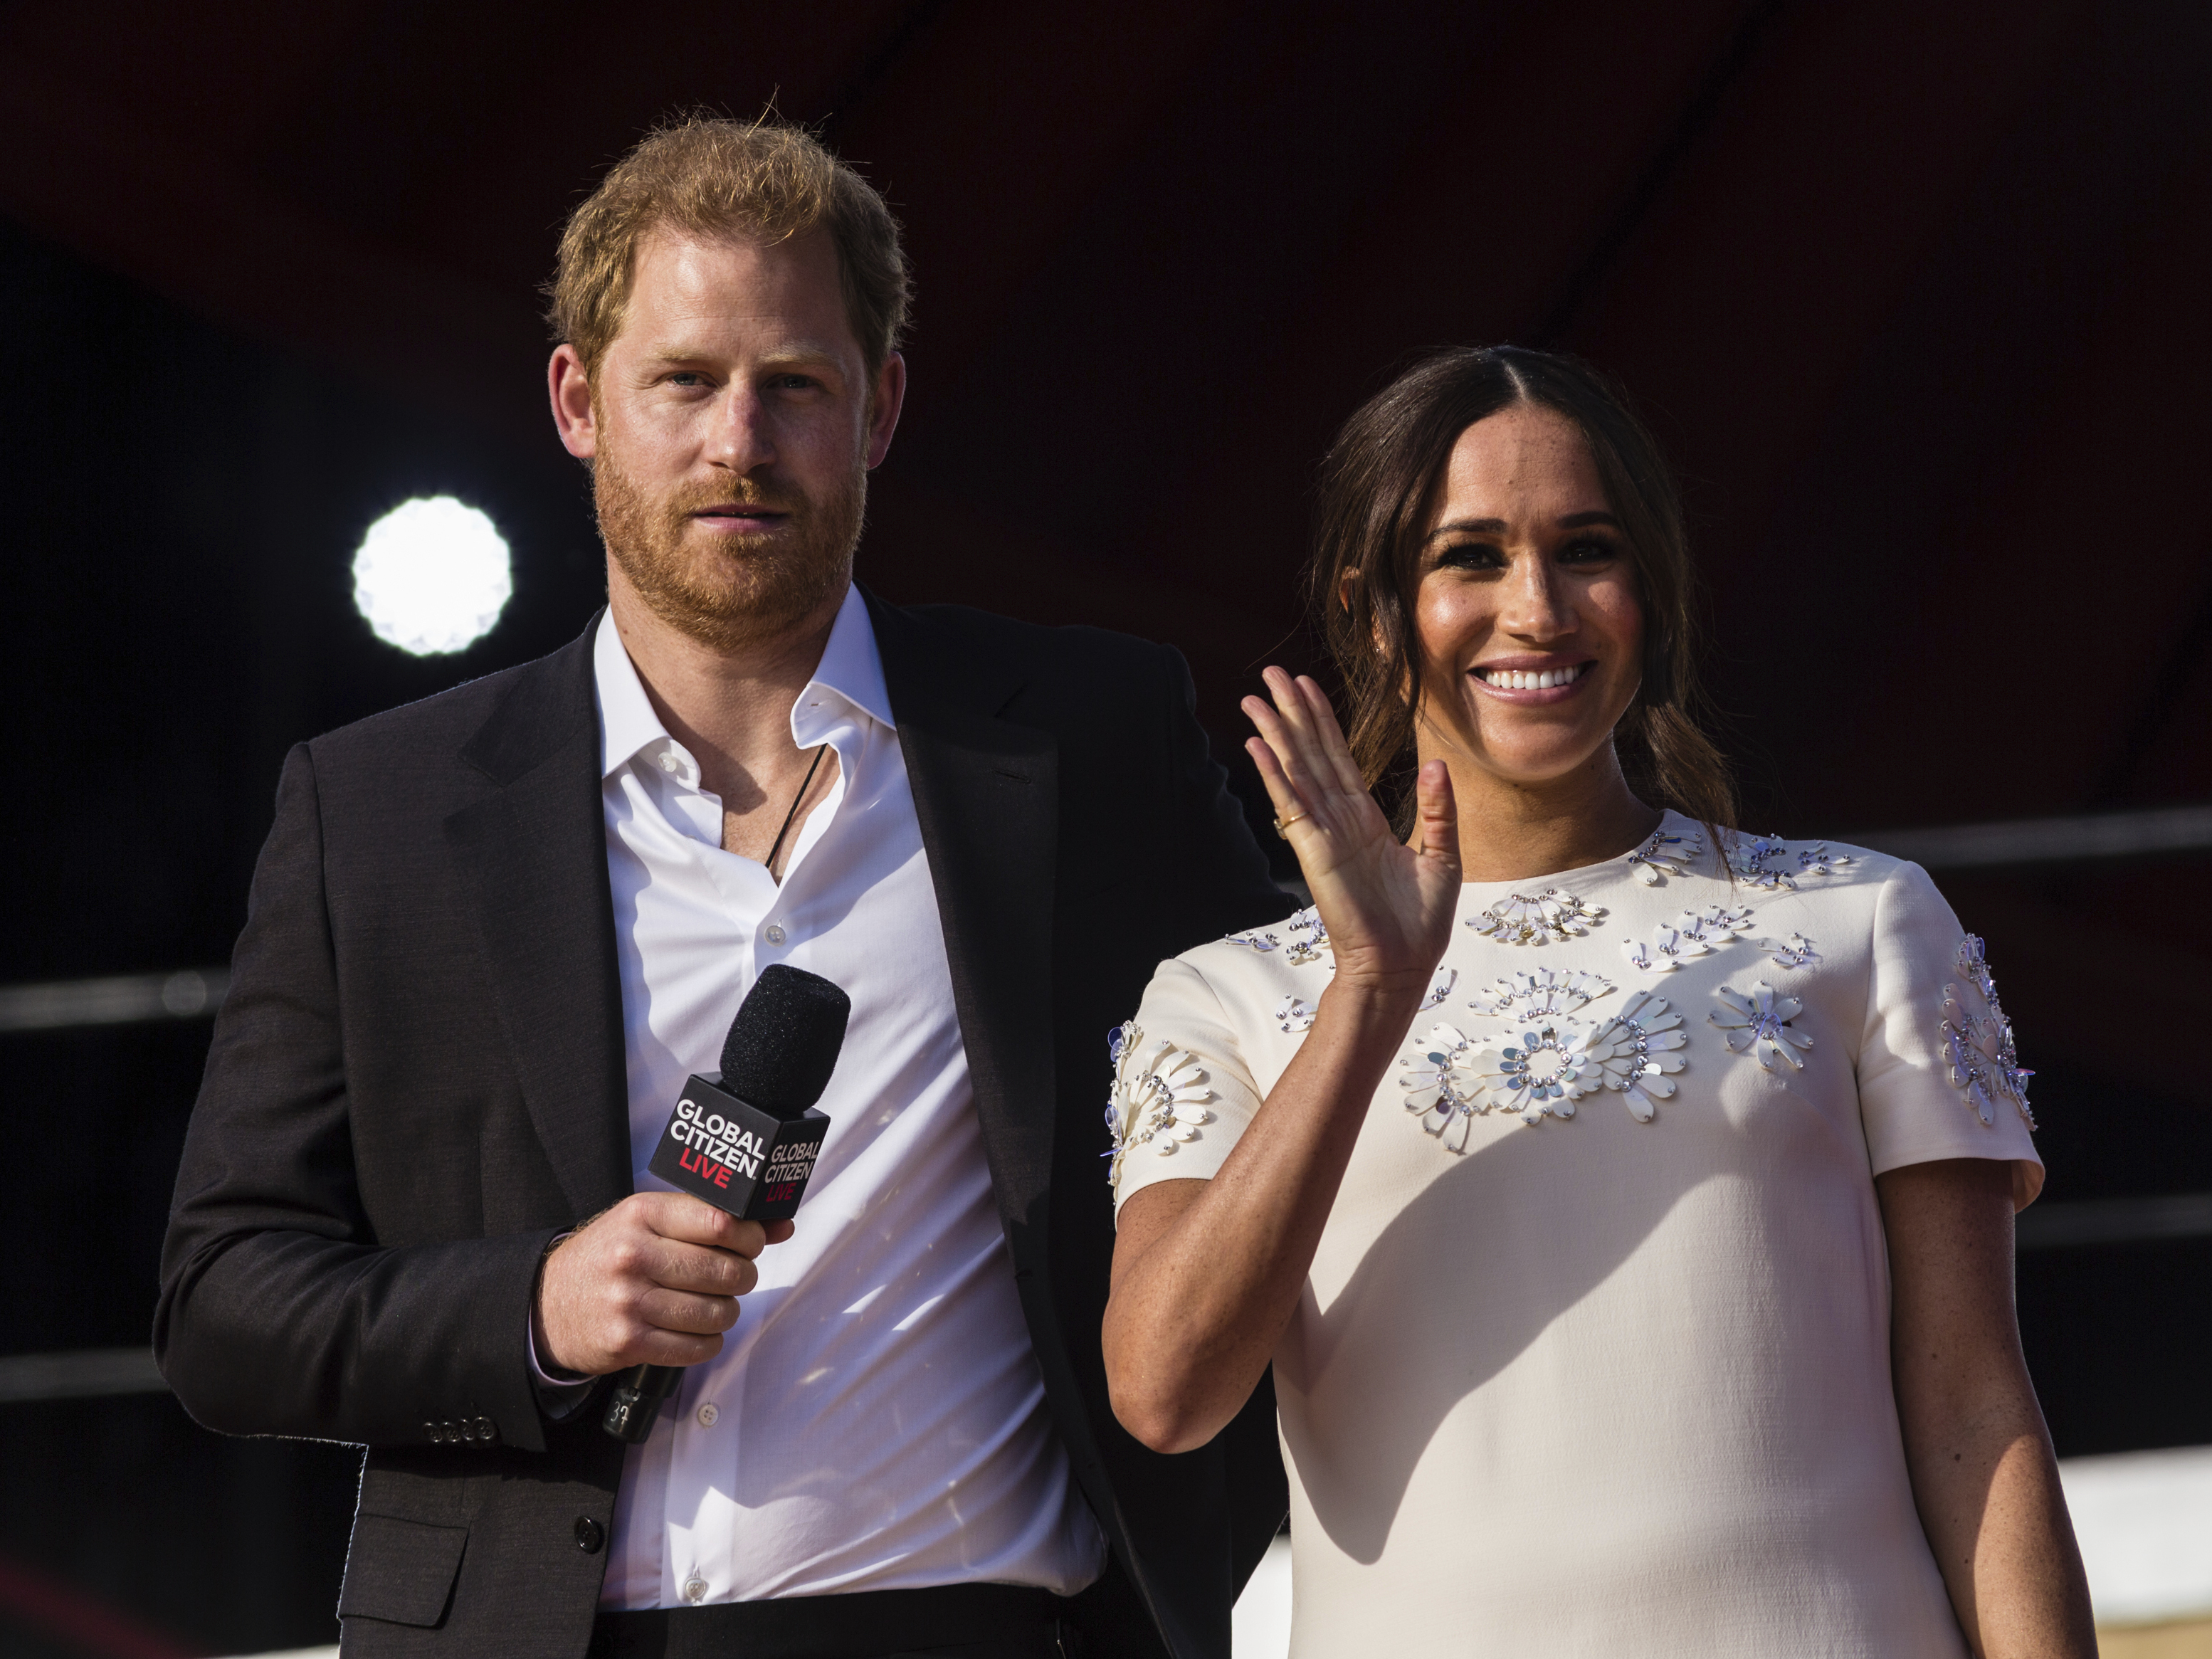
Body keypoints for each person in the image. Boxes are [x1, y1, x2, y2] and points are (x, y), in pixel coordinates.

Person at [156, 115, 1292, 1659]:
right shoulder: (380, 811)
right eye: (684, 381)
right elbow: (222, 1303)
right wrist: (538, 1309)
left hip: (985, 1628)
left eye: (795, 385)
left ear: (881, 407)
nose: (738, 442)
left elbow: (1317, 1089)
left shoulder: (1089, 745)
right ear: (580, 400)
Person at [1100, 346, 2097, 1657]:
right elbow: (1166, 1393)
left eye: (1585, 550)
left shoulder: (1860, 921)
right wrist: (1371, 994)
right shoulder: (1228, 997)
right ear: (1372, 606)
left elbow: (1976, 1409)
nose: (1537, 608)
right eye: (1469, 557)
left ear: (1653, 586)